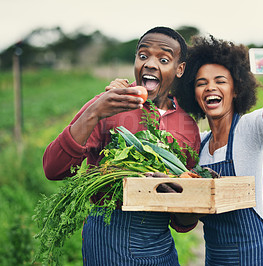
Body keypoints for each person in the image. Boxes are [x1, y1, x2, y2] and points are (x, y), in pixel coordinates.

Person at [43, 26, 200, 265]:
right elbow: (54, 169)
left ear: (179, 69)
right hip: (108, 235)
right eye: (143, 55)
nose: (149, 64)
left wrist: (185, 201)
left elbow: (183, 223)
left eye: (164, 59)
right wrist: (94, 112)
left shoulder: (187, 124)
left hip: (160, 243)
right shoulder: (108, 104)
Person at [173, 35, 263, 265]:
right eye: (201, 83)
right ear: (193, 93)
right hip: (216, 259)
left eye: (220, 81)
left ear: (236, 90)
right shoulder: (198, 145)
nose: (210, 87)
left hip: (258, 257)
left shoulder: (249, 129)